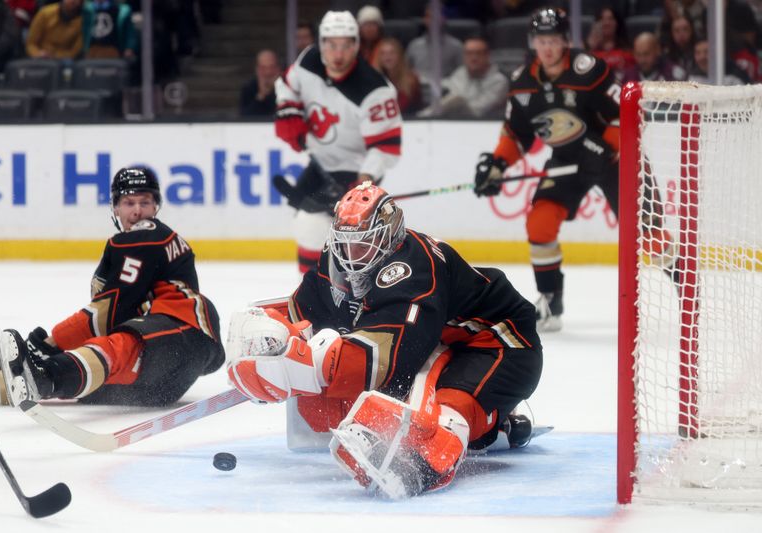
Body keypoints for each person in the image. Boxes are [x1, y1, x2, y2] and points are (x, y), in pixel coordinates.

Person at [225, 182, 543, 499]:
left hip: (500, 342)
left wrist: (299, 369)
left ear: (389, 238)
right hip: (440, 342)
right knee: (347, 396)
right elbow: (305, 315)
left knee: (446, 410)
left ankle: (426, 463)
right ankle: (495, 428)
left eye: (362, 245)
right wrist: (269, 337)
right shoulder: (334, 256)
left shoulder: (412, 267)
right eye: (345, 245)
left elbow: (389, 360)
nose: (351, 257)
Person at [0, 167, 225, 408]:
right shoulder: (160, 240)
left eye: (145, 202)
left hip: (181, 334)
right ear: (115, 207)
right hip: (164, 379)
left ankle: (47, 378)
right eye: (129, 202)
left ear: (156, 207)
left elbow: (110, 311)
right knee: (92, 374)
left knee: (112, 349)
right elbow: (120, 312)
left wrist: (51, 344)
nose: (138, 210)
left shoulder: (144, 237)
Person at [472, 7, 622, 333]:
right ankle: (550, 302)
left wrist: (609, 148)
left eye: (554, 40)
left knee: (647, 233)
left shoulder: (590, 70)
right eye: (542, 41)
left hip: (615, 162)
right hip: (568, 163)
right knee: (539, 224)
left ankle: (686, 289)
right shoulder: (522, 83)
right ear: (533, 43)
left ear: (566, 40)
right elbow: (517, 135)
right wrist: (498, 165)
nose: (548, 47)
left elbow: (622, 115)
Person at [274, 10, 402, 273]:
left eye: (346, 45)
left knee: (354, 241)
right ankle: (310, 293)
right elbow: (286, 85)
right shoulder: (309, 60)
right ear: (321, 44)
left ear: (357, 45)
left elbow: (386, 147)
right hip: (320, 162)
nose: (338, 54)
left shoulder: (375, 89)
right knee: (307, 226)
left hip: (356, 171)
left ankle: (355, 296)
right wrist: (289, 111)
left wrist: (363, 182)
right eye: (332, 45)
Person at [417, 36, 508, 119]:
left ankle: (422, 118)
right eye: (469, 53)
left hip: (487, 126)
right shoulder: (461, 73)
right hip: (454, 123)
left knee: (456, 100)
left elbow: (476, 111)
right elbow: (446, 84)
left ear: (487, 55)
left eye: (478, 53)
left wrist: (455, 102)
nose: (474, 58)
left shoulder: (499, 81)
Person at [405, 5, 463, 82]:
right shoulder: (414, 45)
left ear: (443, 18)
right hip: (419, 88)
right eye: (429, 17)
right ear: (424, 20)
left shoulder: (456, 46)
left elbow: (463, 73)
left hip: (446, 88)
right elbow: (405, 71)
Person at [586, 6, 635, 83]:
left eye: (610, 19)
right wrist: (590, 47)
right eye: (602, 19)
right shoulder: (589, 50)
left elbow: (634, 75)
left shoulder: (628, 50)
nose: (606, 23)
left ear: (617, 23)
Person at [377, 36, 422, 116]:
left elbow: (418, 108)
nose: (387, 57)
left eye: (392, 53)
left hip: (409, 122)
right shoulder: (373, 80)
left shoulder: (411, 80)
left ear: (399, 55)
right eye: (383, 53)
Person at [623, 32, 687, 83]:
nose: (642, 60)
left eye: (646, 54)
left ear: (657, 50)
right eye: (638, 55)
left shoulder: (673, 73)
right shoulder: (628, 76)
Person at [239, 49, 280, 117]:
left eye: (272, 67)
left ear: (278, 68)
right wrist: (261, 96)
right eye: (263, 68)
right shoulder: (249, 88)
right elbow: (244, 117)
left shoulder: (287, 86)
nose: (268, 72)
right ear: (257, 69)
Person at [357, 5, 384, 70]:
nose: (369, 29)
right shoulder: (353, 48)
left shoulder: (385, 47)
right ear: (359, 28)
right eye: (366, 24)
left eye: (373, 24)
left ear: (379, 28)